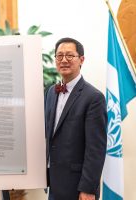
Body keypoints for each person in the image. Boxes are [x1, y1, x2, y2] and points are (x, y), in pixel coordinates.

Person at [45, 38, 107, 200]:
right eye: (59, 56)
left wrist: (88, 189)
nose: (64, 60)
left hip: (79, 187)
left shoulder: (94, 97)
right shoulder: (51, 92)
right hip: (54, 183)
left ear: (81, 60)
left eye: (69, 55)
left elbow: (96, 149)